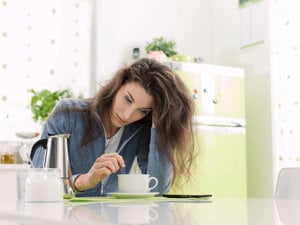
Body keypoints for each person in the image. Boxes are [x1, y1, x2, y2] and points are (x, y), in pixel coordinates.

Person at [32, 58, 196, 196]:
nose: (127, 115)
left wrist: (160, 124)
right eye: (128, 99)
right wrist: (85, 180)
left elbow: (159, 189)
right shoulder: (68, 113)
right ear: (118, 85)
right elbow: (41, 180)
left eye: (142, 110)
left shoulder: (139, 130)